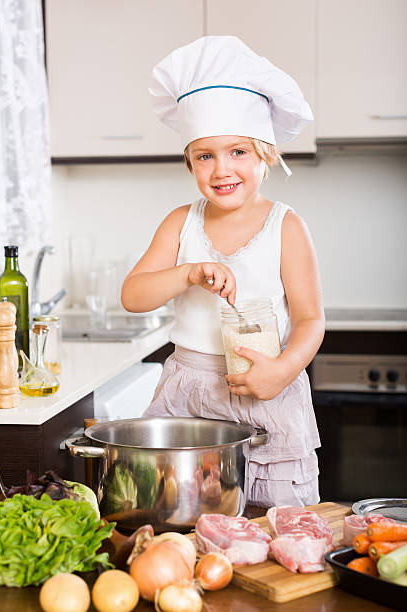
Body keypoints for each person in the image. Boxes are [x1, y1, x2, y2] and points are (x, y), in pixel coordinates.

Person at [121, 36, 325, 507]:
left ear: (265, 155)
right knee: (183, 522)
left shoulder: (287, 227)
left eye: (237, 152)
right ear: (189, 162)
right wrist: (188, 272)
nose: (221, 169)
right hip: (187, 395)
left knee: (272, 525)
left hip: (266, 388)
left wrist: (283, 371)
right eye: (204, 156)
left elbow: (312, 319)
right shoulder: (180, 223)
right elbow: (133, 295)